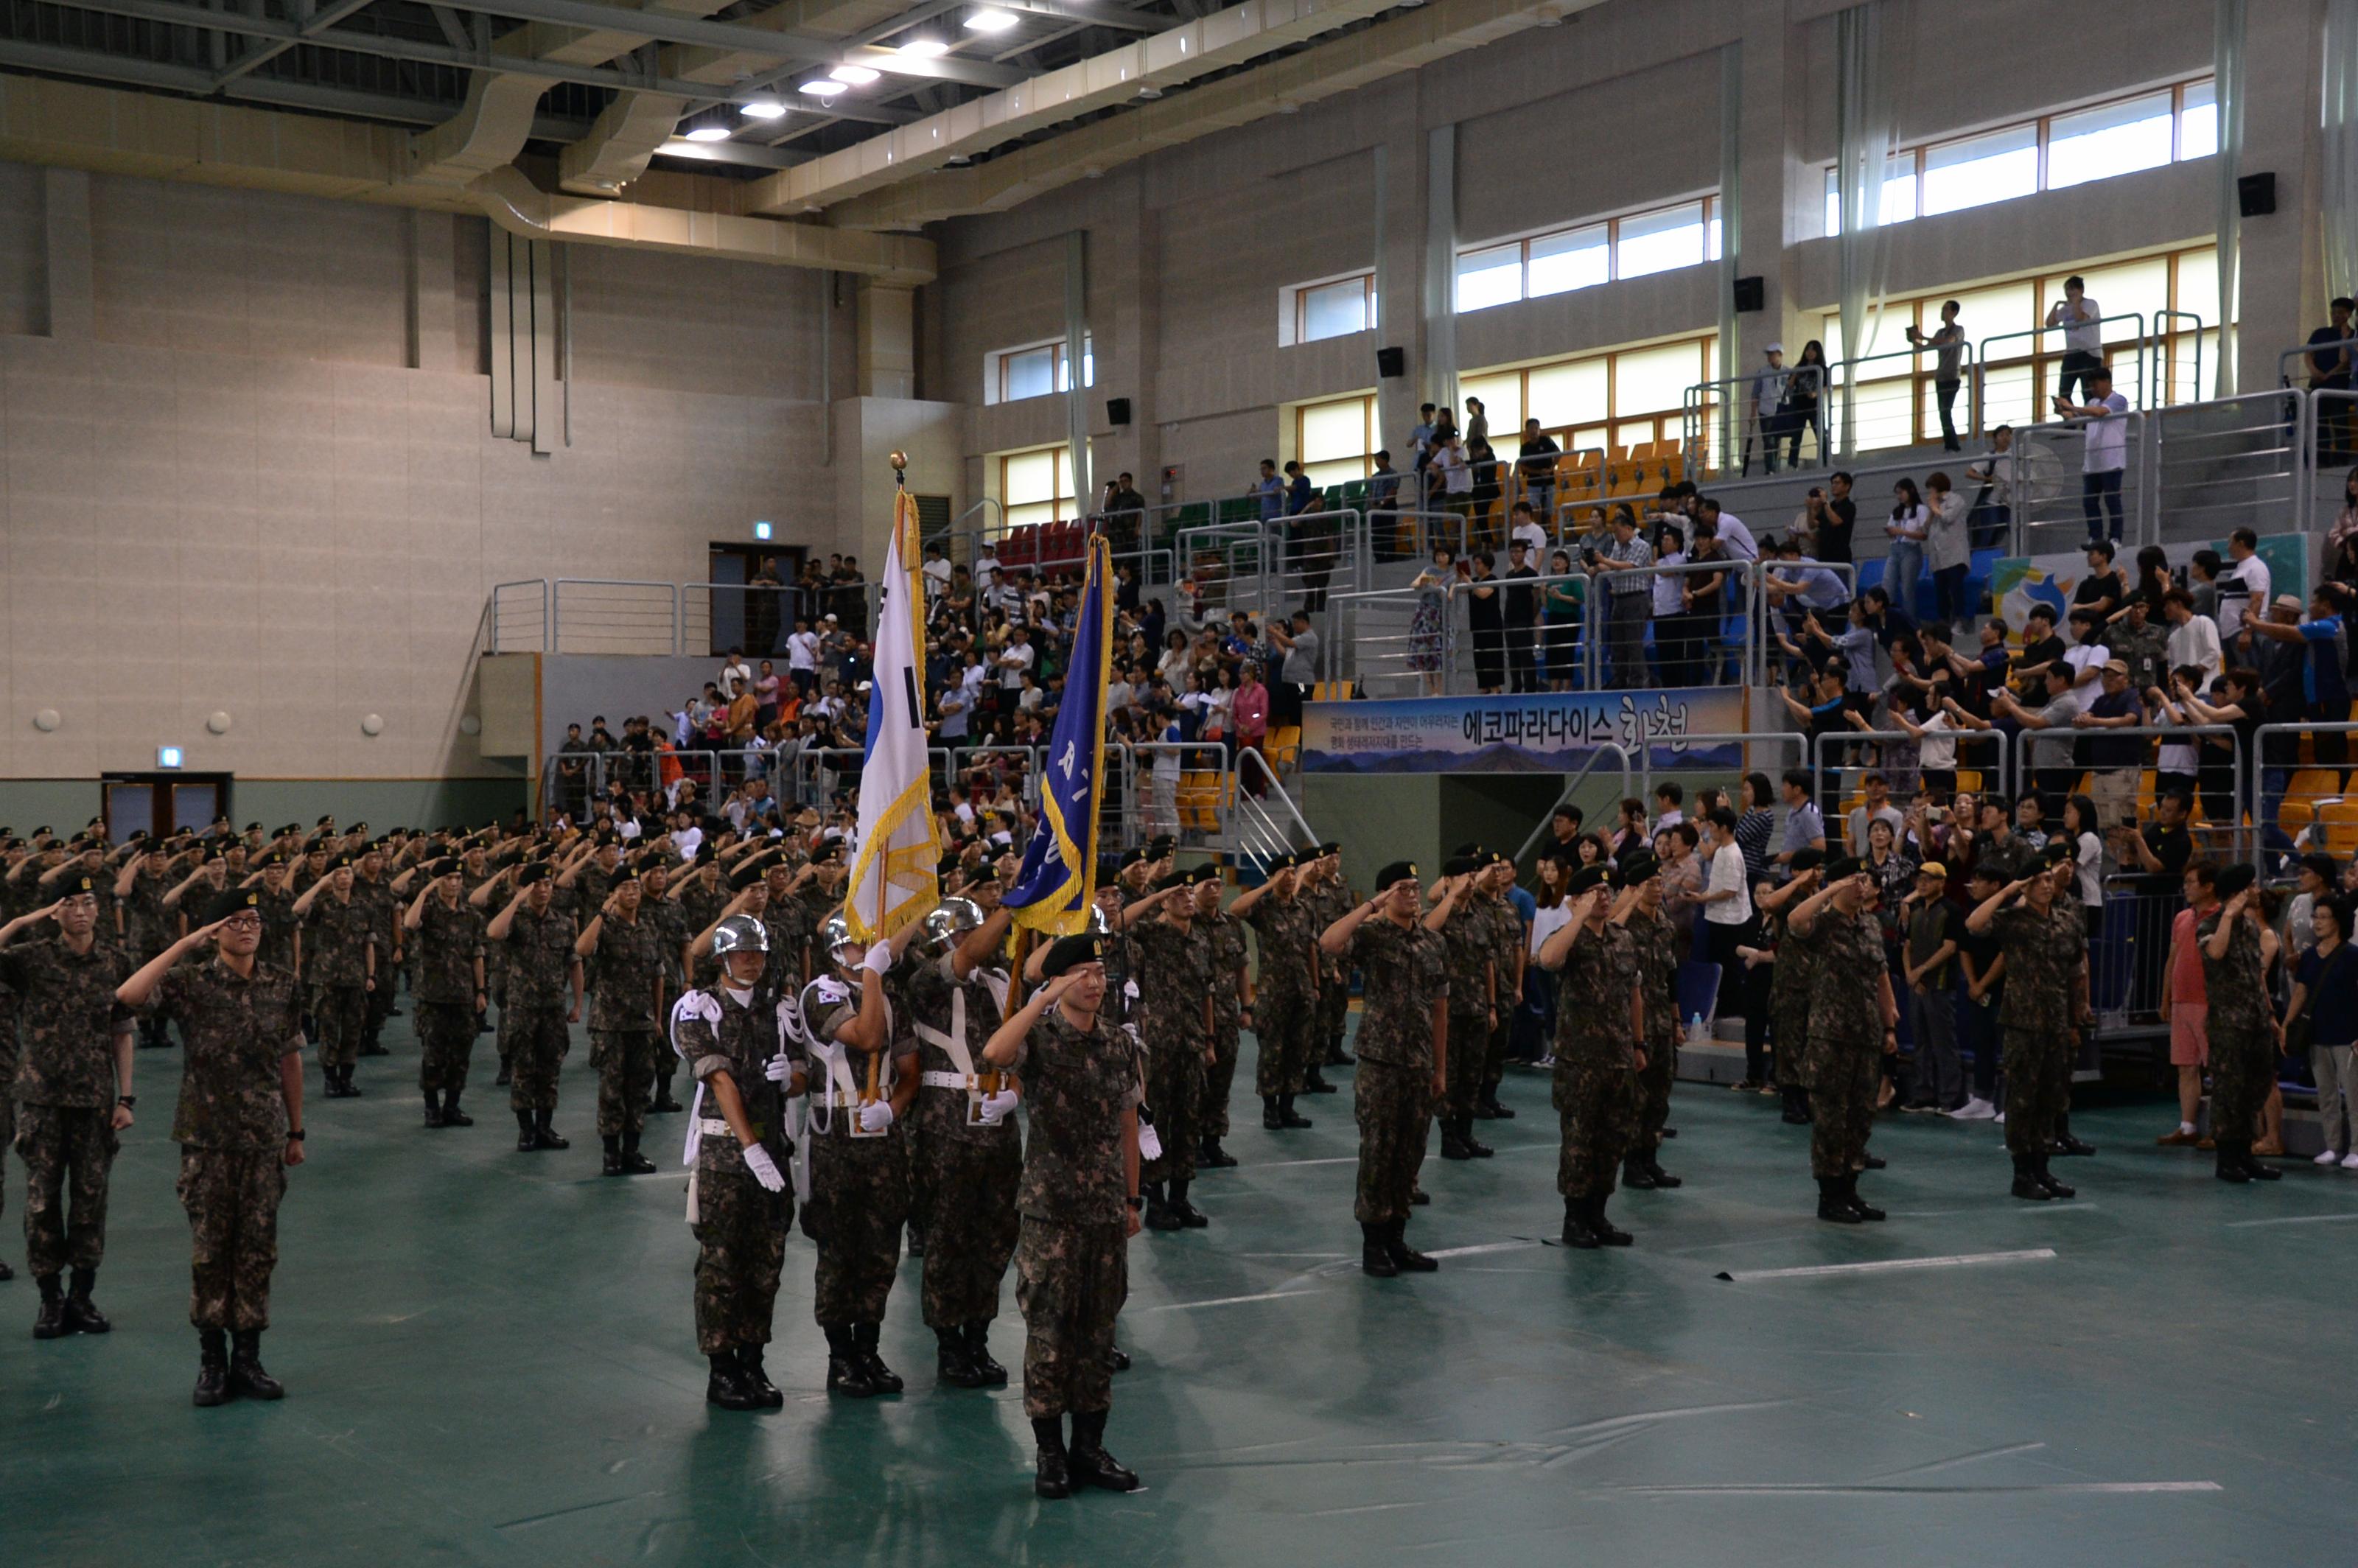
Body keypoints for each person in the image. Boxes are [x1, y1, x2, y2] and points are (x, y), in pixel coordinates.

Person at [116, 886, 307, 1407]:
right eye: (234, 921)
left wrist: (296, 1131)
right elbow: (130, 997)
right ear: (214, 931)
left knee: (256, 1252)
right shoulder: (191, 983)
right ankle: (212, 1361)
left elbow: (291, 1060)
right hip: (207, 1140)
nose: (246, 928)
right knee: (209, 1252)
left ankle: (248, 1357)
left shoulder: (281, 985)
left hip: (263, 1138)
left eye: (253, 920)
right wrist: (184, 944)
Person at [979, 931, 1144, 1500]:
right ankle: (1050, 1453)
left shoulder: (1119, 1044)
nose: (1096, 984)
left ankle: (1089, 1448)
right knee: (1049, 1335)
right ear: (1061, 982)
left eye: (1100, 974)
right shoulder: (1042, 1039)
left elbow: (1129, 1121)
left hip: (1103, 1212)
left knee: (1098, 1334)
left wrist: (1131, 1199)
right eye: (1083, 976)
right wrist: (1037, 1002)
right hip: (1050, 1213)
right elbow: (995, 1056)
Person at [666, 913, 799, 1410]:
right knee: (722, 1266)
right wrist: (750, 1147)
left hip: (773, 1150)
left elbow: (802, 1073)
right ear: (722, 958)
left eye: (758, 952)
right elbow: (719, 1080)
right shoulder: (699, 1009)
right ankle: (721, 1370)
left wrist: (793, 1077)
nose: (751, 960)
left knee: (766, 1263)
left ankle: (753, 1361)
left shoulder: (778, 1009)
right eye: (742, 952)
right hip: (727, 1154)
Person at [0, 877, 133, 1340]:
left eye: (88, 903)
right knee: (41, 1202)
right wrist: (21, 921)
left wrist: (126, 1096)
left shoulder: (115, 962)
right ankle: (50, 1297)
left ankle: (82, 1294)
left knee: (90, 1201)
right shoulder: (32, 957)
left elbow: (122, 1031)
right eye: (69, 905)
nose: (81, 911)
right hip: (42, 1101)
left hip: (94, 1101)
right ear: (55, 913)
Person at [796, 912, 920, 1396]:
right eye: (858, 946)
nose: (869, 950)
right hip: (836, 1140)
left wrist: (894, 1109)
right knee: (839, 1248)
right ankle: (840, 1356)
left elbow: (910, 1071)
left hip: (881, 1136)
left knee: (881, 1247)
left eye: (873, 945)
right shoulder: (821, 994)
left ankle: (868, 1348)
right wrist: (871, 973)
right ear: (836, 952)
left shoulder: (891, 999)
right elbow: (865, 1038)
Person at [1318, 861, 1447, 1277]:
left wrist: (1440, 1068)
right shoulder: (1373, 936)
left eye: (1415, 886)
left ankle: (1397, 1240)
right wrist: (1373, 903)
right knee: (1378, 1154)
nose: (1412, 894)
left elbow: (1440, 1009)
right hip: (1380, 1062)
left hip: (1419, 1063)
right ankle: (1374, 1245)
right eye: (1402, 888)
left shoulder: (1432, 943)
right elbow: (1330, 943)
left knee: (1409, 1157)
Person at [1966, 855, 2087, 1200]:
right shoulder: (2013, 921)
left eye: (2050, 879)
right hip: (2022, 1022)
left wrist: (2076, 1017)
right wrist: (2010, 889)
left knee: (2051, 1099)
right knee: (2022, 1099)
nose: (2047, 885)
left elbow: (2076, 971)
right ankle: (2022, 1174)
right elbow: (1974, 924)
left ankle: (2043, 1169)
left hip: (2056, 1023)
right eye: (2038, 880)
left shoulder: (2066, 922)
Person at [1785, 858, 1898, 1222]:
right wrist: (1831, 889)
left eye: (1864, 879)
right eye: (1855, 880)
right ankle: (1829, 1196)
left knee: (1860, 1118)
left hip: (1866, 1035)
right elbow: (1795, 921)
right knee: (1831, 1120)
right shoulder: (1823, 925)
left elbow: (1881, 975)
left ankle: (1850, 1189)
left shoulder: (1869, 925)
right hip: (1831, 1037)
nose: (1862, 886)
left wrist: (1890, 1024)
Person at [1536, 864, 1641, 1247]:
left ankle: (1599, 1215)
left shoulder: (1623, 939)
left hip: (1618, 1059)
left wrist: (1639, 1044)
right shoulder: (1569, 938)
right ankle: (1575, 1219)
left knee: (1612, 1141)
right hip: (1580, 1062)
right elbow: (1547, 960)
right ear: (1576, 899)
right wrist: (1577, 915)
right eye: (1594, 890)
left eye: (1607, 889)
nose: (1604, 896)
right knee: (1579, 1143)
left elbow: (1634, 994)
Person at [574, 860, 666, 1177]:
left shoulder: (648, 929)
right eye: (625, 888)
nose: (632, 892)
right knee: (612, 1091)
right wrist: (602, 912)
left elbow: (658, 975)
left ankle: (632, 1151)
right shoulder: (605, 927)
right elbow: (582, 949)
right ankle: (611, 1155)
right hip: (611, 1023)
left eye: (635, 887)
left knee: (639, 1090)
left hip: (641, 1022)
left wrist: (656, 1017)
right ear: (613, 894)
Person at [486, 864, 580, 1152]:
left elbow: (574, 963)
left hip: (552, 1007)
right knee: (523, 1070)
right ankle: (526, 1130)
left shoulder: (562, 923)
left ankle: (545, 1127)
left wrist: (577, 1003)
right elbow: (494, 932)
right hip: (522, 1007)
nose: (543, 890)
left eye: (547, 884)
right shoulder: (516, 919)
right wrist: (515, 901)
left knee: (550, 1069)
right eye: (536, 885)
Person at [2199, 863, 2281, 1184]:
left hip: (2255, 1019)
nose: (2257, 890)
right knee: (2228, 1091)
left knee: (2254, 1087)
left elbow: (2257, 973)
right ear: (2236, 894)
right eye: (2251, 886)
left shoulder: (2251, 928)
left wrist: (2270, 1014)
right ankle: (2227, 1158)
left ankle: (2246, 1154)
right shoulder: (2210, 925)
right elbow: (2216, 953)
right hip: (2228, 1023)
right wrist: (2229, 915)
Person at [1229, 852, 1319, 1131]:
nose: (1291, 878)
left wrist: (1315, 985)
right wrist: (1269, 885)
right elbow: (1236, 909)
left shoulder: (1304, 909)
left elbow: (1311, 948)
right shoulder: (1264, 908)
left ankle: (1288, 1107)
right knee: (1272, 1051)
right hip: (1273, 992)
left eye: (1293, 873)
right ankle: (1270, 1109)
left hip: (1302, 990)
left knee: (1298, 1050)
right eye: (1285, 874)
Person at [402, 859, 486, 1130]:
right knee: (434, 1054)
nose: (454, 883)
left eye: (458, 878)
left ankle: (452, 1105)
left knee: (461, 1054)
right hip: (433, 995)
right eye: (448, 878)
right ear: (438, 881)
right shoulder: (427, 910)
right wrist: (424, 893)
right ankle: (431, 1108)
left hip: (463, 994)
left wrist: (481, 990)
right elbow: (410, 923)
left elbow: (476, 955)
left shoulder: (470, 916)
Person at [1615, 853, 1682, 1192]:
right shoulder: (1626, 927)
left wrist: (1677, 1019)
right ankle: (1632, 1163)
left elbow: (1671, 976)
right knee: (1636, 1098)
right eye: (1651, 883)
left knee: (1660, 1096)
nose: (1658, 888)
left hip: (1661, 1021)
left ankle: (1650, 1158)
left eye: (1660, 882)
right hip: (1635, 1022)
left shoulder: (1665, 925)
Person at [1424, 858, 1496, 1161]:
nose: (1470, 881)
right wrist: (1450, 895)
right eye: (1463, 876)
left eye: (1472, 876)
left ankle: (1466, 1133)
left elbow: (1488, 964)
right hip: (1448, 1011)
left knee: (1471, 1075)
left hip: (1476, 1007)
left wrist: (1492, 1005)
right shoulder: (1439, 915)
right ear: (1448, 881)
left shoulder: (1481, 917)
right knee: (1448, 1077)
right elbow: (1427, 931)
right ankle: (1448, 1135)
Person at [2289, 897, 2358, 1168]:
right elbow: (2301, 991)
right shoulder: (2308, 957)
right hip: (2317, 1034)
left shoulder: (2353, 956)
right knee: (2326, 1094)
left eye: (2323, 917)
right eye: (2315, 917)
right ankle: (2333, 1146)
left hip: (2348, 1037)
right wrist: (2287, 1024)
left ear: (2338, 921)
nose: (2317, 922)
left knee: (2354, 1095)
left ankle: (2355, 1147)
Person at [2054, 365, 2130, 543]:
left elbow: (2100, 413)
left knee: (2112, 502)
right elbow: (2081, 417)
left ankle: (2115, 538)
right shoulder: (2091, 403)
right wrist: (2065, 411)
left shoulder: (2118, 400)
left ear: (2106, 382)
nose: (2092, 389)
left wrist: (2072, 406)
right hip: (2092, 464)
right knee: (2089, 503)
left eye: (2095, 385)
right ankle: (2095, 536)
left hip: (2112, 462)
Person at [1593, 505, 1655, 689]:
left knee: (1634, 643)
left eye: (1618, 532)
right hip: (1619, 599)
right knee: (1618, 644)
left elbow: (1628, 566)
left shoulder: (1641, 546)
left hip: (1636, 598)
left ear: (1628, 528)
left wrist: (1604, 561)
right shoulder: (1617, 546)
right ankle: (1620, 678)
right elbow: (1612, 567)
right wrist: (1596, 565)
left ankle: (1638, 681)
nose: (1617, 536)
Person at [1906, 299, 1967, 452]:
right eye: (1942, 309)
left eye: (1946, 309)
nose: (1943, 312)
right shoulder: (1939, 332)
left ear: (1954, 312)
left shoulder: (1958, 330)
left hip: (1952, 377)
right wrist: (1914, 340)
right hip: (1941, 377)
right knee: (1943, 412)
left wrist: (1923, 336)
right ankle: (1950, 444)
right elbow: (1925, 348)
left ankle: (1953, 445)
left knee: (1946, 410)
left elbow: (1948, 342)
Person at [2046, 276, 2105, 405]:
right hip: (2071, 353)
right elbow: (2049, 323)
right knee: (2064, 390)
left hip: (2089, 353)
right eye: (2067, 289)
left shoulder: (2090, 304)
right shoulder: (2066, 309)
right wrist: (2057, 305)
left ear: (2081, 290)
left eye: (2072, 289)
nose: (2069, 293)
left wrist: (2076, 302)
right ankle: (2070, 420)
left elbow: (2079, 320)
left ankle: (2089, 420)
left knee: (2088, 390)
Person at [1925, 471, 1971, 623]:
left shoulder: (1956, 499)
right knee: (1941, 593)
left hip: (1954, 556)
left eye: (1931, 489)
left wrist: (1935, 508)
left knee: (1956, 590)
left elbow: (1948, 518)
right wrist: (1932, 511)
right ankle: (1943, 622)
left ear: (1937, 487)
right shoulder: (1934, 506)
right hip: (1938, 559)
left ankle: (1960, 620)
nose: (1930, 493)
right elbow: (1925, 528)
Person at [1408, 547, 1453, 696]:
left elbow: (1449, 597)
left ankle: (1438, 690)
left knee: (1439, 653)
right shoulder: (1428, 569)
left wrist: (1438, 588)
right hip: (1424, 613)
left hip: (1439, 615)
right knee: (1423, 651)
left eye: (1443, 554)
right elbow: (1414, 584)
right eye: (1438, 555)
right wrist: (1424, 581)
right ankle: (1431, 688)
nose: (1440, 558)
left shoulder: (1452, 576)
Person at [1883, 477, 1928, 620]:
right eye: (1897, 493)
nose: (1899, 496)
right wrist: (1891, 532)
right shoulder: (1897, 511)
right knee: (1887, 586)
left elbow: (1923, 535)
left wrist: (1901, 532)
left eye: (1901, 492)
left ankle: (1910, 622)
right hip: (1895, 549)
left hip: (1911, 550)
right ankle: (1887, 620)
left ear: (1911, 491)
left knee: (1907, 590)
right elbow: (1892, 529)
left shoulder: (1921, 509)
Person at [1502, 540, 1542, 693]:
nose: (1514, 555)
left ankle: (1530, 687)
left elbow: (1536, 596)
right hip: (1510, 619)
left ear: (1524, 553)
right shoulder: (1509, 574)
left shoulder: (1531, 573)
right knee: (1513, 656)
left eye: (1517, 552)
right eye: (1512, 552)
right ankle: (1516, 685)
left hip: (1523, 619)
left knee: (1526, 655)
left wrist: (1531, 615)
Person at [1543, 548, 1583, 690]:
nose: (1556, 561)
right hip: (1554, 617)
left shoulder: (1572, 578)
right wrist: (1543, 591)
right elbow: (1547, 605)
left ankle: (1567, 687)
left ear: (1567, 563)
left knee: (1566, 653)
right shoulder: (1550, 581)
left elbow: (1580, 599)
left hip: (1568, 617)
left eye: (1560, 559)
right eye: (1554, 558)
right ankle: (1554, 688)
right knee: (1552, 653)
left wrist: (1561, 597)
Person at [1749, 342, 1791, 474]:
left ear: (1780, 355)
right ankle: (1770, 468)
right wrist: (1753, 413)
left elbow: (1792, 392)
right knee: (1768, 440)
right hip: (1765, 410)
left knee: (1776, 440)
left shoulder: (1788, 372)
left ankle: (1774, 467)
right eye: (1769, 355)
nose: (1770, 357)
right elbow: (1755, 394)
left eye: (1772, 354)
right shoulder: (1762, 372)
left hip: (1782, 410)